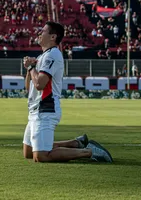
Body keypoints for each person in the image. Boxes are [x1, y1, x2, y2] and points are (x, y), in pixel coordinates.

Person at [22, 21, 113, 163]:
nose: (39, 33)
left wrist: (30, 68)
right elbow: (29, 87)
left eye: (43, 31)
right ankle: (76, 143)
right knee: (28, 152)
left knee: (41, 156)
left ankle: (89, 152)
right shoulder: (42, 57)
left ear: (53, 37)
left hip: (45, 109)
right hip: (36, 110)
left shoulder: (52, 55)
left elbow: (40, 84)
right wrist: (30, 68)